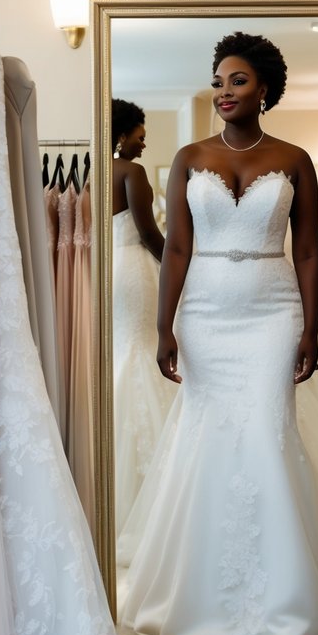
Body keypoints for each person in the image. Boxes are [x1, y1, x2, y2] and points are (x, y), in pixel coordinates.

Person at [120, 32, 318, 635]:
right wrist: (165, 327)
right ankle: (199, 589)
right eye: (218, 81)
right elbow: (177, 249)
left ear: (264, 89)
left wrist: (310, 328)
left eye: (237, 81)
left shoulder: (295, 158)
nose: (224, 91)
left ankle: (281, 593)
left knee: (269, 433)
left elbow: (307, 253)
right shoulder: (190, 158)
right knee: (207, 437)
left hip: (274, 313)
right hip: (205, 313)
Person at [111, 98, 175, 532]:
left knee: (122, 351)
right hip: (133, 268)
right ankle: (150, 483)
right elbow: (150, 233)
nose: (144, 139)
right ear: (122, 133)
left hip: (103, 272)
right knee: (139, 349)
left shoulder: (91, 169)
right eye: (139, 132)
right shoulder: (131, 173)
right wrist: (180, 266)